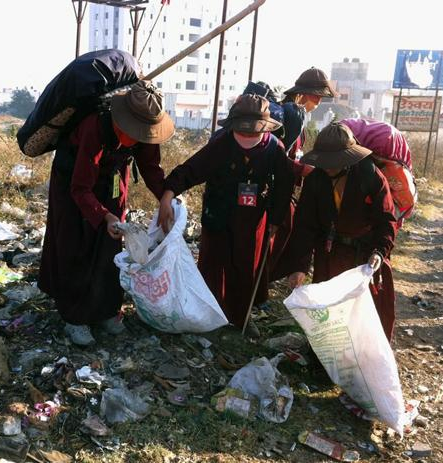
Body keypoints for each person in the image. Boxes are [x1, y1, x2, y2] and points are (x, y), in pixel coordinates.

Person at [38, 81, 175, 346]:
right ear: (121, 120)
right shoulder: (94, 126)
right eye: (133, 133)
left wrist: (166, 199)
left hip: (113, 181)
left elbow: (150, 167)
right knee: (76, 245)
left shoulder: (146, 129)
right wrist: (103, 216)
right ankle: (74, 317)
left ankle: (105, 311)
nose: (137, 138)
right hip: (73, 185)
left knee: (109, 248)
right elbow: (80, 188)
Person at [157, 94, 294, 334]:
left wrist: (275, 219)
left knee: (245, 267)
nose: (248, 136)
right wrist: (168, 194)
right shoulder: (221, 144)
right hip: (218, 212)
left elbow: (284, 186)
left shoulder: (275, 149)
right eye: (243, 131)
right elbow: (192, 169)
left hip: (253, 219)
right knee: (212, 264)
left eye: (254, 132)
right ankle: (209, 314)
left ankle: (240, 318)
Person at [287, 123, 397, 340]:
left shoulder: (370, 176)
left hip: (363, 257)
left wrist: (379, 251)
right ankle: (325, 360)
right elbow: (304, 226)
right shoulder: (316, 179)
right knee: (327, 313)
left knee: (361, 315)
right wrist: (299, 266)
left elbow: (386, 220)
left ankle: (362, 360)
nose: (328, 167)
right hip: (328, 255)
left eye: (333, 162)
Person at [268, 67, 339, 282]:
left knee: (285, 233)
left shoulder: (297, 119)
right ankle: (260, 286)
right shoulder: (289, 115)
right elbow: (276, 157)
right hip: (272, 188)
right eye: (316, 97)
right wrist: (302, 170)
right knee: (276, 235)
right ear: (304, 93)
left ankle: (267, 282)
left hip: (286, 187)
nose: (317, 103)